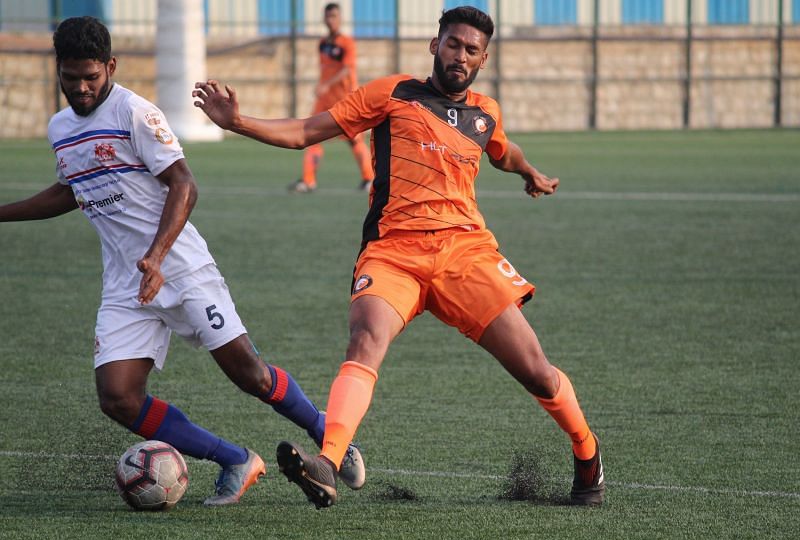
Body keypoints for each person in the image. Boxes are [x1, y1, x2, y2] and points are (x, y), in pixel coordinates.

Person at [193, 6, 605, 508]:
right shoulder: (391, 94)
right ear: (435, 45)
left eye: (471, 50)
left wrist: (529, 172)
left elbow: (504, 149)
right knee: (365, 338)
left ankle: (587, 455)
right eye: (452, 44)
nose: (460, 55)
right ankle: (327, 461)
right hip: (394, 254)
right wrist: (237, 121)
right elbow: (305, 131)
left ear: (483, 59)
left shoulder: (485, 113)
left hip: (465, 254)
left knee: (536, 370)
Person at [0, 16, 364, 507]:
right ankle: (236, 458)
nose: (82, 88)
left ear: (110, 66)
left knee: (249, 375)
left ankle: (331, 437)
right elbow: (71, 191)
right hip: (126, 282)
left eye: (91, 77)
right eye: (71, 78)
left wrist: (156, 257)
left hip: (181, 268)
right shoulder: (60, 128)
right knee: (118, 397)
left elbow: (185, 184)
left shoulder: (136, 113)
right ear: (57, 71)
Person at [287, 2, 375, 193]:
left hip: (345, 98)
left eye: (334, 16)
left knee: (355, 139)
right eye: (328, 17)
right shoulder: (323, 43)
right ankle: (308, 180)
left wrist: (327, 84)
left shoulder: (347, 43)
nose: (330, 20)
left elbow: (346, 69)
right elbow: (326, 69)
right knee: (311, 135)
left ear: (340, 19)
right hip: (325, 99)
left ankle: (369, 179)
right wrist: (323, 85)